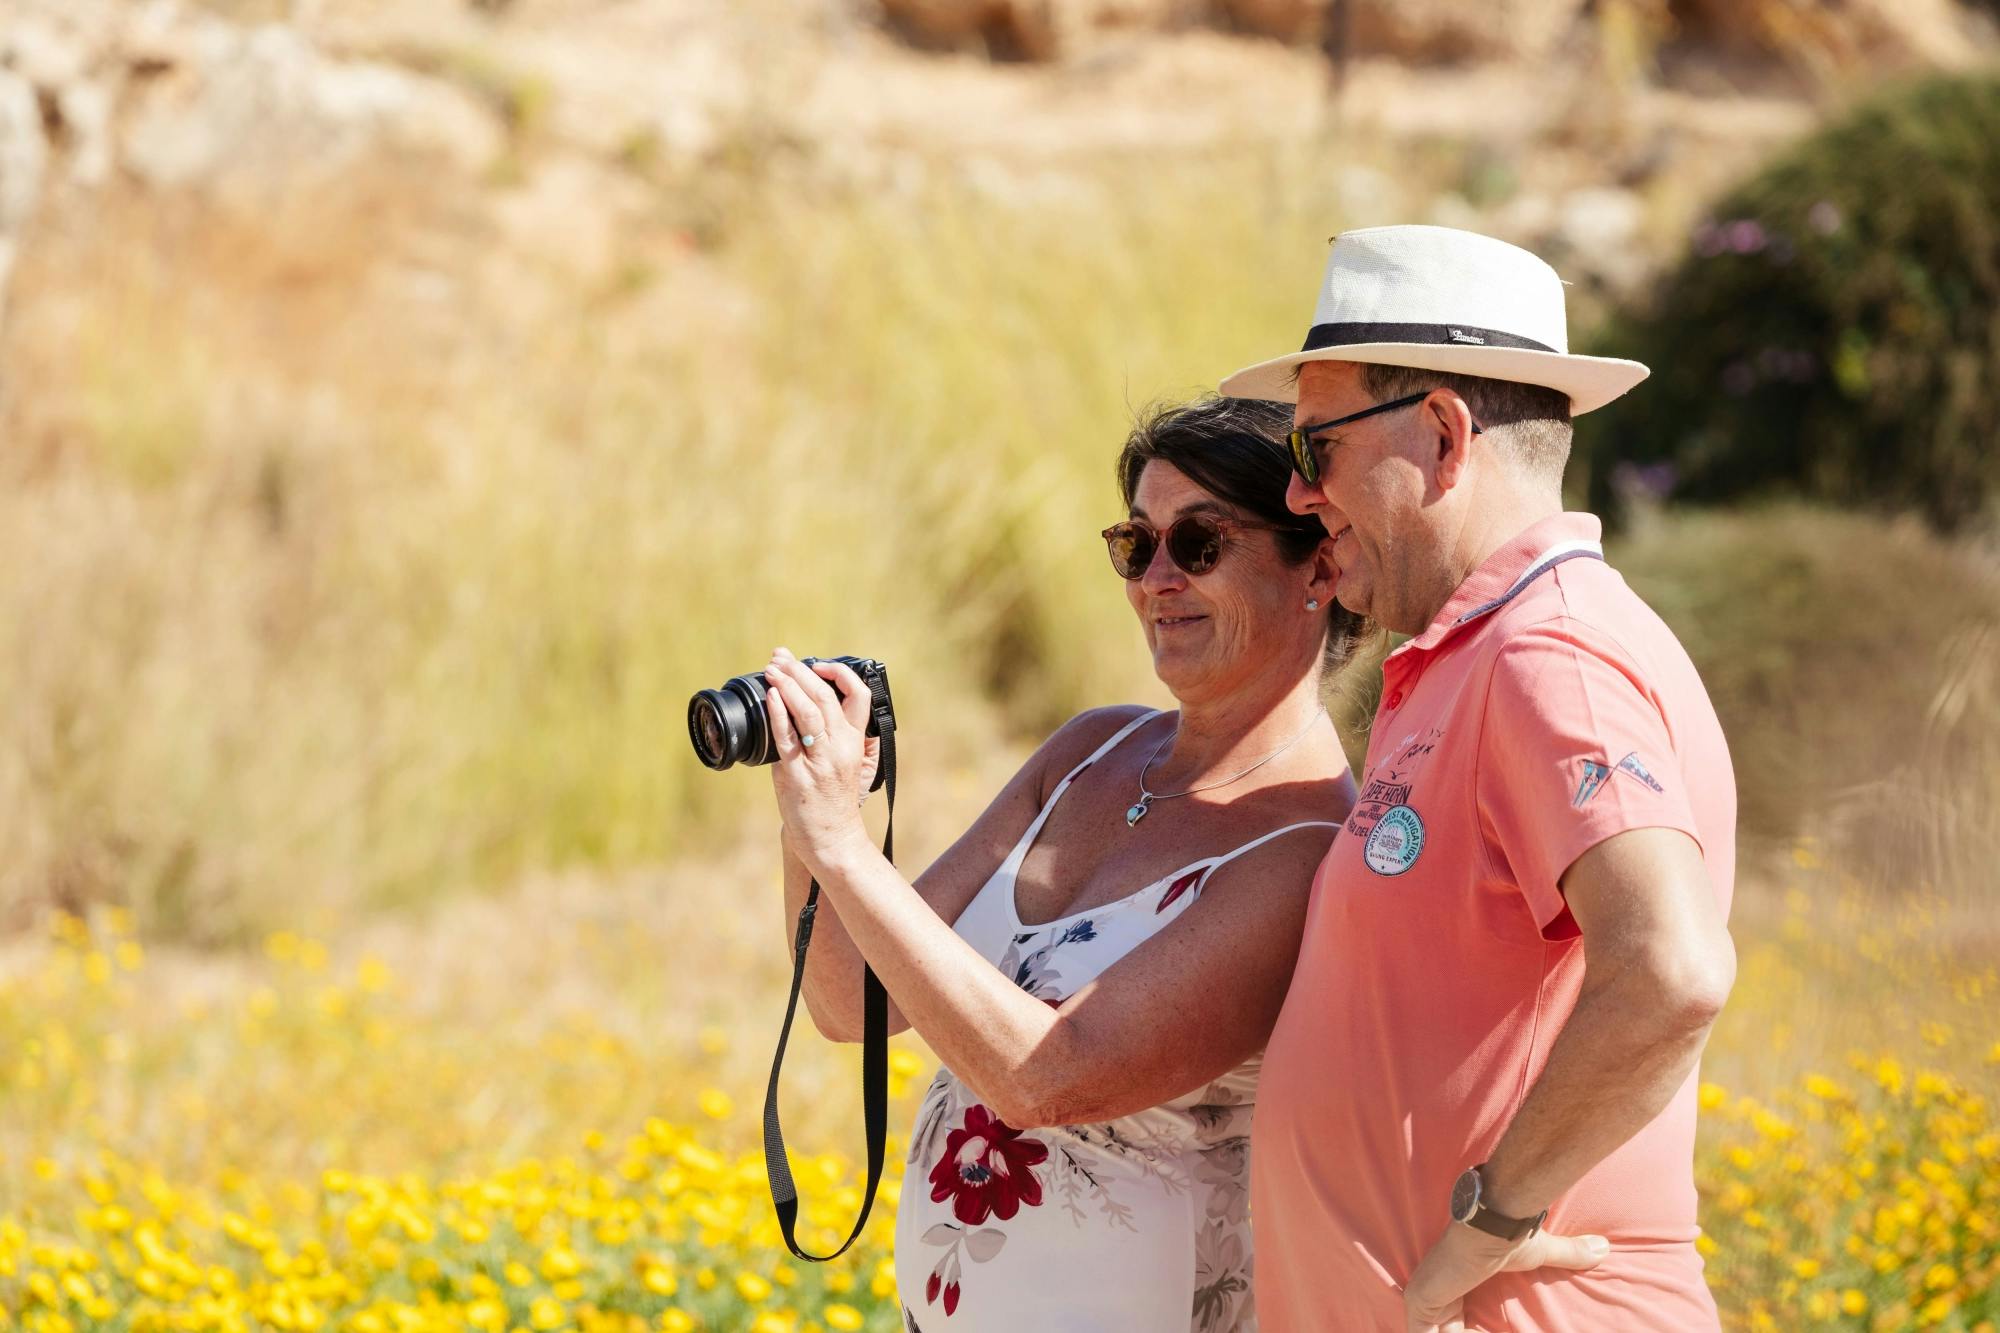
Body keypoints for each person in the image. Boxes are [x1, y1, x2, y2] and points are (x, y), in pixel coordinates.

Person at [1217, 224, 1739, 1331]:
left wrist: (1486, 1225)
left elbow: (1671, 970)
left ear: (1444, 439)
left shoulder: (1545, 654)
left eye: (1313, 453)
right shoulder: (1485, 651)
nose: (1299, 497)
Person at [760, 396, 1364, 1331]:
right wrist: (807, 805)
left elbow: (1049, 1079)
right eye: (1136, 544)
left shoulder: (1307, 848)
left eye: (1198, 543)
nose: (1155, 580)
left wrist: (845, 844)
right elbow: (851, 1004)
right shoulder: (1091, 748)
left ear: (1318, 564)